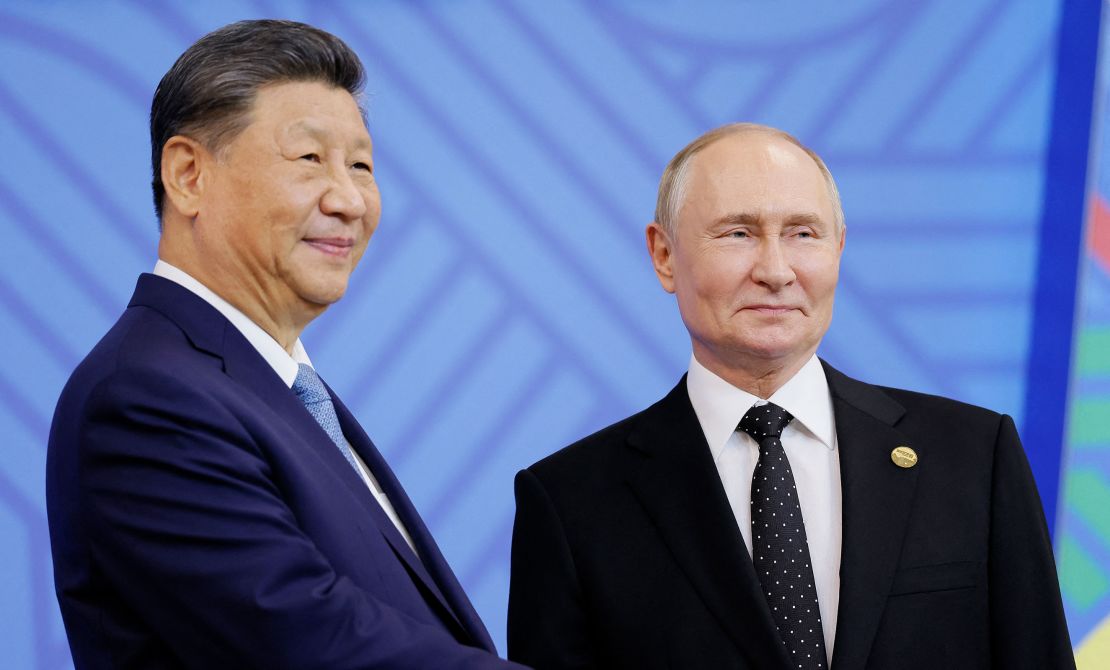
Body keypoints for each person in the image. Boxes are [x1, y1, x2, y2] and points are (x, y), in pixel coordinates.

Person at [47, 19, 525, 670]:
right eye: (310, 160)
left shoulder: (283, 390)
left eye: (362, 165)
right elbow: (312, 639)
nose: (351, 199)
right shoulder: (145, 398)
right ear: (188, 174)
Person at [506, 123, 1075, 670]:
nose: (776, 271)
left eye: (803, 233)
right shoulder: (569, 503)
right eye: (738, 233)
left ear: (839, 248)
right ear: (664, 256)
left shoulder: (974, 456)